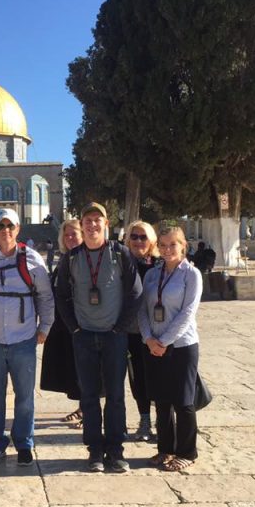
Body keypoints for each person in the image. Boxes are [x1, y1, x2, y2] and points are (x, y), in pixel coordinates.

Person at [0, 208, 54, 467]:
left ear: (18, 229)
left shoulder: (32, 258)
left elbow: (45, 297)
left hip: (23, 339)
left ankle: (24, 443)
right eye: (0, 226)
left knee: (25, 397)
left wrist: (45, 328)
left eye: (10, 226)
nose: (5, 230)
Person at [56, 202, 141, 473]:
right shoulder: (72, 257)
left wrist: (120, 328)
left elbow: (136, 293)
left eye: (97, 220)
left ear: (106, 224)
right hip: (84, 336)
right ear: (81, 224)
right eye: (87, 220)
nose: (92, 225)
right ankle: (94, 450)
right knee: (89, 395)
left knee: (115, 394)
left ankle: (115, 450)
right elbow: (61, 296)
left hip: (113, 336)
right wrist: (75, 328)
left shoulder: (121, 254)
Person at [138, 226, 203, 471]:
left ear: (182, 245)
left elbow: (188, 313)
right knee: (162, 400)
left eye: (172, 244)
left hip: (181, 345)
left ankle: (187, 452)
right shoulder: (153, 275)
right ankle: (165, 448)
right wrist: (148, 339)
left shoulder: (191, 274)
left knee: (183, 400)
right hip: (154, 345)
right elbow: (142, 310)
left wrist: (164, 341)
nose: (167, 250)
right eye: (162, 245)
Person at [40, 220, 83, 425]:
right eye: (67, 235)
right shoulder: (66, 259)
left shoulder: (87, 259)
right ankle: (82, 407)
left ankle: (88, 410)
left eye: (75, 234)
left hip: (81, 323)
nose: (71, 238)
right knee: (72, 368)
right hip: (63, 323)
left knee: (85, 369)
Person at [125, 220, 161, 442]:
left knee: (158, 377)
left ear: (152, 241)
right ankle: (144, 420)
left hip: (157, 333)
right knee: (138, 378)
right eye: (134, 236)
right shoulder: (122, 263)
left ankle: (163, 420)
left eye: (143, 237)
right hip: (131, 331)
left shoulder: (160, 265)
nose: (138, 241)